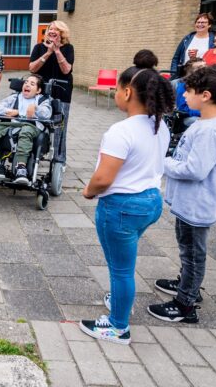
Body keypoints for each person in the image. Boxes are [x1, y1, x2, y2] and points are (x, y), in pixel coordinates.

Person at [79, 62, 174, 345]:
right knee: (123, 264)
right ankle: (119, 298)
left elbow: (104, 177)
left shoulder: (121, 131)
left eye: (117, 88)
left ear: (128, 91)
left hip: (121, 207)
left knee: (121, 270)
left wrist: (88, 191)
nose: (116, 92)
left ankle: (118, 327)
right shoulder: (160, 125)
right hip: (151, 202)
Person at [147, 65, 216, 324]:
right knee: (188, 250)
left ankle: (186, 303)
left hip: (198, 205)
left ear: (205, 95)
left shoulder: (211, 131)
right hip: (189, 203)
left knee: (193, 254)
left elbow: (195, 170)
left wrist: (163, 163)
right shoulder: (205, 124)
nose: (184, 95)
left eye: (189, 91)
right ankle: (186, 284)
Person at [0, 74, 52, 184]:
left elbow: (47, 114)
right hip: (13, 125)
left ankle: (21, 168)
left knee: (26, 130)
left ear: (38, 90)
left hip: (31, 126)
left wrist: (36, 108)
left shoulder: (42, 100)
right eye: (26, 82)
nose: (27, 85)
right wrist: (14, 112)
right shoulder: (15, 97)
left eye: (32, 84)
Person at [29, 21, 74, 165]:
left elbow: (66, 70)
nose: (52, 31)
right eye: (50, 29)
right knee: (38, 123)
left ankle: (59, 160)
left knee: (60, 126)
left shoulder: (68, 48)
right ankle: (36, 154)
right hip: (41, 92)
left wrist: (57, 50)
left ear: (62, 33)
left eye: (56, 29)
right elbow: (32, 69)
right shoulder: (39, 47)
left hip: (62, 92)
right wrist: (48, 52)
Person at [170, 12, 215, 79]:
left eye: (203, 22)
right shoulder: (187, 39)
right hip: (184, 75)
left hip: (203, 77)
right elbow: (176, 58)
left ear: (209, 25)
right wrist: (174, 74)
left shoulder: (214, 40)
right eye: (198, 22)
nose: (200, 24)